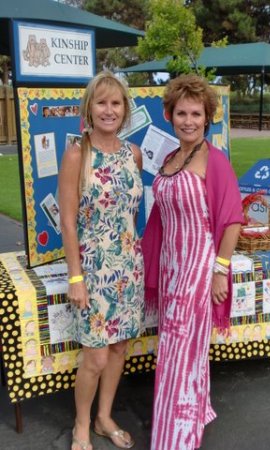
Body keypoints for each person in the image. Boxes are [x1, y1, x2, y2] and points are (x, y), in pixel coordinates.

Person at [141, 73, 244, 450]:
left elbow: (232, 218)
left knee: (181, 349)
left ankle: (177, 437)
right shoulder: (171, 157)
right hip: (170, 268)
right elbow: (160, 217)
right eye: (181, 112)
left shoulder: (214, 161)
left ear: (207, 117)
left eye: (196, 114)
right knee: (181, 349)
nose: (188, 120)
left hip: (199, 268)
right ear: (170, 115)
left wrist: (220, 271)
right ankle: (193, 411)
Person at [58, 71, 144, 450]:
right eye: (101, 102)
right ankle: (80, 424)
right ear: (89, 108)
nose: (109, 110)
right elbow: (67, 218)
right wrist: (75, 277)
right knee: (94, 357)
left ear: (125, 110)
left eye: (116, 103)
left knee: (119, 349)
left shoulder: (134, 154)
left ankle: (103, 417)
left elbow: (130, 214)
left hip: (128, 269)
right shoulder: (78, 152)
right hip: (92, 273)